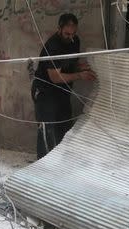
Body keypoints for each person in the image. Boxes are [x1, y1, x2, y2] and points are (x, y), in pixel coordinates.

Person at [31, 13, 96, 159]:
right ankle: (43, 165)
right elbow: (55, 77)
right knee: (47, 130)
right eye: (67, 33)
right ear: (59, 29)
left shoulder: (74, 41)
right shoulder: (52, 46)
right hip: (45, 92)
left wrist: (83, 67)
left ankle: (60, 162)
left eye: (73, 33)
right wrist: (80, 76)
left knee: (65, 128)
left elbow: (71, 62)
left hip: (62, 93)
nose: (70, 37)